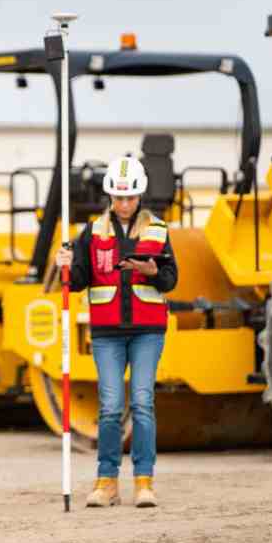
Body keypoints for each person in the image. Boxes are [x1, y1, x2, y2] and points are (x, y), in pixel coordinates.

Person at [55, 156, 177, 508]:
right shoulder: (91, 234)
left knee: (142, 403)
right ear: (110, 196)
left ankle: (144, 482)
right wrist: (64, 266)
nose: (124, 204)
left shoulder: (157, 230)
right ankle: (106, 482)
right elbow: (78, 281)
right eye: (119, 197)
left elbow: (171, 280)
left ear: (140, 195)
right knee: (109, 408)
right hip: (107, 333)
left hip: (147, 332)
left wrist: (154, 271)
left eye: (130, 197)